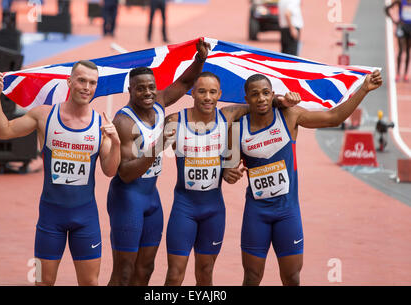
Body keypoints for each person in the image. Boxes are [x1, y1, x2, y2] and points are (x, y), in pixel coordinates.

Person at [224, 70, 383, 286]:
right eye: (254, 94)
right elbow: (230, 172)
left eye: (265, 93)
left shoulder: (290, 116)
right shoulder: (237, 129)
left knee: (292, 278)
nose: (260, 98)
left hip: (287, 213)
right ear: (246, 99)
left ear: (273, 95)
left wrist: (363, 89)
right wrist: (228, 173)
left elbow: (333, 118)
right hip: (256, 213)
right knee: (252, 278)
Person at [0, 60, 121, 286]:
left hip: (85, 219)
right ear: (69, 81)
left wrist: (116, 143)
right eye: (81, 80)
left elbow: (109, 171)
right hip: (50, 218)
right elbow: (4, 131)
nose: (86, 87)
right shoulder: (44, 116)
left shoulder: (101, 124)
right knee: (43, 282)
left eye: (92, 83)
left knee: (90, 283)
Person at [163, 71, 300, 286]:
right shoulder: (174, 122)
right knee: (174, 275)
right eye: (201, 91)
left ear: (219, 95)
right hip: (184, 208)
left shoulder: (227, 117)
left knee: (206, 272)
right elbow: (146, 151)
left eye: (212, 92)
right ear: (192, 93)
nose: (207, 97)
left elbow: (258, 105)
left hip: (214, 210)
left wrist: (281, 101)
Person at [106, 38, 210, 286]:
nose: (148, 93)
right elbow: (126, 173)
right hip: (127, 199)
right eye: (140, 88)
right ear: (130, 91)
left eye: (151, 87)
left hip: (151, 199)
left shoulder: (160, 103)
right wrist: (158, 144)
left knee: (146, 268)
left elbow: (185, 83)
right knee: (123, 272)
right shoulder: (124, 122)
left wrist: (200, 59)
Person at [385, 0, 411, 82]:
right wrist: (394, 21)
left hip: (410, 28)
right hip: (402, 27)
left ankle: (406, 74)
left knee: (407, 51)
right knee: (400, 51)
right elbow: (387, 9)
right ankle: (398, 74)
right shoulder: (401, 2)